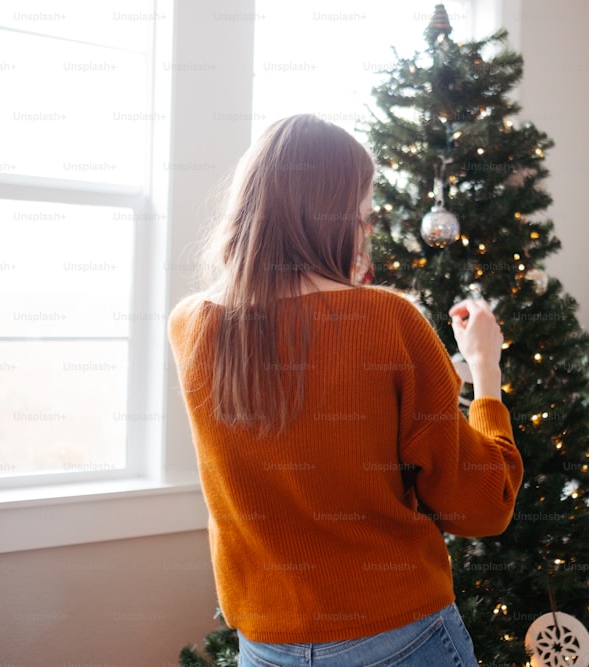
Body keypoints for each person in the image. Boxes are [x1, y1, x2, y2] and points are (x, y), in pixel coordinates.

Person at [168, 114, 523, 666]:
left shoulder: (192, 325)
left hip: (264, 646)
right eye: (364, 218)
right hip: (397, 635)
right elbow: (482, 506)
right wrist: (486, 372)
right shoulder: (389, 320)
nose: (366, 232)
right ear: (332, 218)